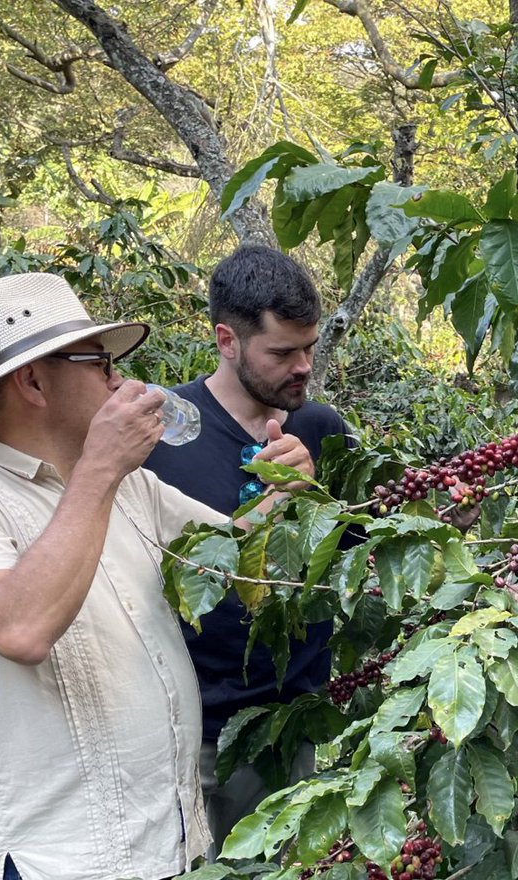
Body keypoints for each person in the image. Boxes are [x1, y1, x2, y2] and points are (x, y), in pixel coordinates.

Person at [0, 273, 230, 880]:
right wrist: (101, 466)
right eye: (100, 363)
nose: (119, 381)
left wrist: (284, 492)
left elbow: (238, 557)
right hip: (57, 862)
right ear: (32, 381)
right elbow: (21, 628)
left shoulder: (137, 487)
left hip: (170, 844)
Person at [144, 245, 351, 857]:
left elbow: (362, 544)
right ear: (227, 341)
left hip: (296, 721)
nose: (304, 366)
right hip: (203, 731)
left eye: (310, 348)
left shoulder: (320, 427)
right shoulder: (163, 437)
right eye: (283, 352)